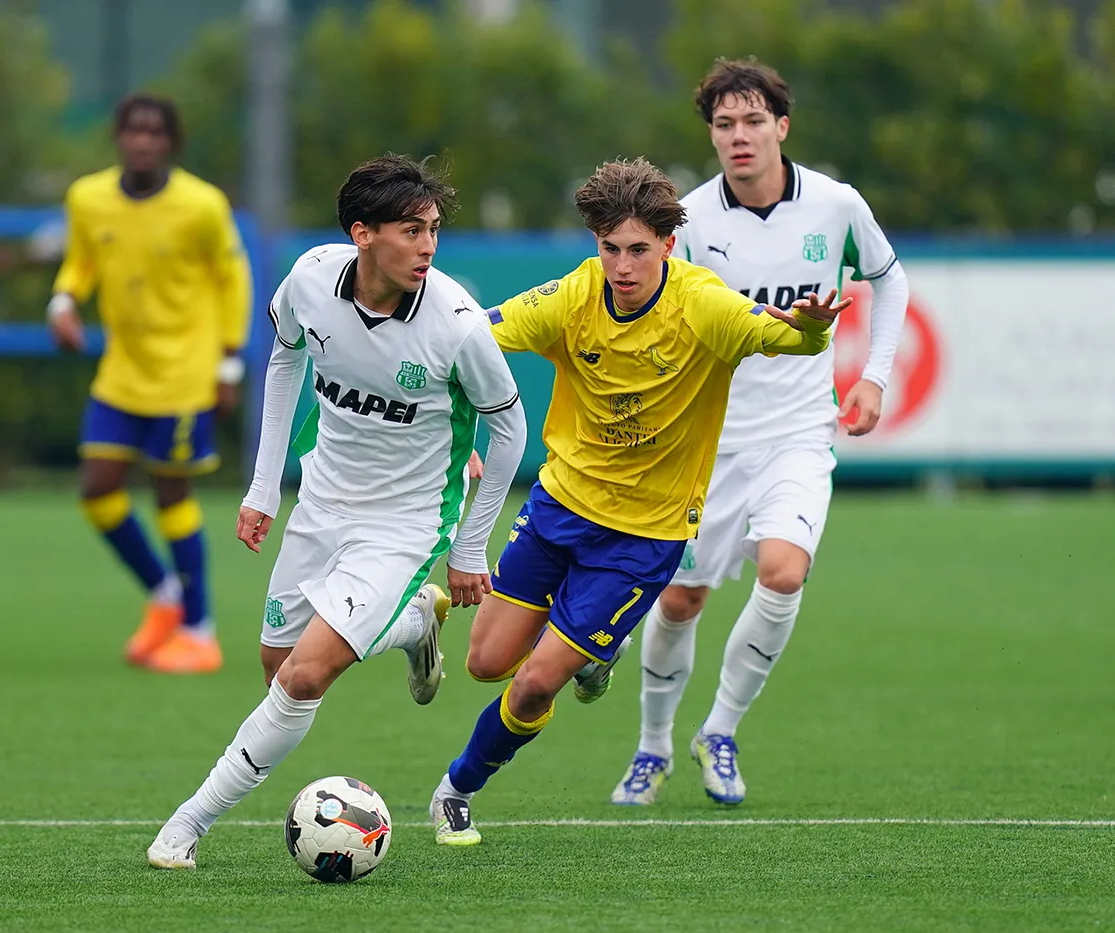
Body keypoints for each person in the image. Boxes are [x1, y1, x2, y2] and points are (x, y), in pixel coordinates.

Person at [426, 157, 850, 846]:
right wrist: (451, 423)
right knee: (485, 664)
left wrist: (812, 326)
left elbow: (788, 337)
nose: (622, 266)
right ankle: (591, 643)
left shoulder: (703, 304)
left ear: (668, 246)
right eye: (610, 248)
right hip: (560, 509)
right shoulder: (574, 295)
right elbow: (469, 339)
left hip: (644, 538)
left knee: (535, 684)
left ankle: (457, 789)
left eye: (639, 250)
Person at [147, 155, 527, 869]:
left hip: (406, 526)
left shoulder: (456, 324)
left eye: (433, 230)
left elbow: (510, 428)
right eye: (411, 230)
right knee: (276, 670)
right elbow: (285, 359)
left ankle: (187, 824)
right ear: (362, 233)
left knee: (303, 678)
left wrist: (471, 545)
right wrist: (264, 487)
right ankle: (415, 622)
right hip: (320, 503)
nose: (427, 246)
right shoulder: (311, 278)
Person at [613, 59, 909, 808]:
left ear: (782, 126)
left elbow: (888, 277)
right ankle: (652, 745)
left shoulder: (836, 205)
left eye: (752, 121)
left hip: (798, 433)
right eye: (724, 124)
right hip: (706, 441)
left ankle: (720, 729)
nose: (738, 135)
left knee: (783, 571)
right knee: (681, 601)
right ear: (711, 134)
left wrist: (873, 376)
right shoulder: (687, 221)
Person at [48, 94, 252, 674]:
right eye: (132, 130)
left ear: (171, 143)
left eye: (154, 132)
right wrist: (64, 300)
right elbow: (82, 261)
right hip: (121, 371)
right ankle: (165, 595)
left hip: (184, 373)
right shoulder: (87, 198)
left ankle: (199, 631)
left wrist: (229, 362)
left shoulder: (201, 205)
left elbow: (233, 277)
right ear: (117, 137)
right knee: (97, 490)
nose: (142, 141)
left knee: (172, 496)